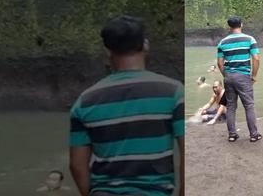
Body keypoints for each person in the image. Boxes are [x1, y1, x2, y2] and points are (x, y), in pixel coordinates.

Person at [69, 16, 184, 196]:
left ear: (107, 51)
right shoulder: (173, 92)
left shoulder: (84, 101)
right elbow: (186, 154)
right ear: (145, 45)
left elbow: (77, 166)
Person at [217, 16, 262, 142]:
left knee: (231, 106)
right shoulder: (249, 39)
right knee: (249, 105)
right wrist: (253, 76)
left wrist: (226, 75)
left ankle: (232, 135)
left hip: (228, 77)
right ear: (241, 25)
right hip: (243, 76)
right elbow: (256, 59)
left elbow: (220, 63)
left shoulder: (222, 42)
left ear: (229, 27)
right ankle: (254, 135)